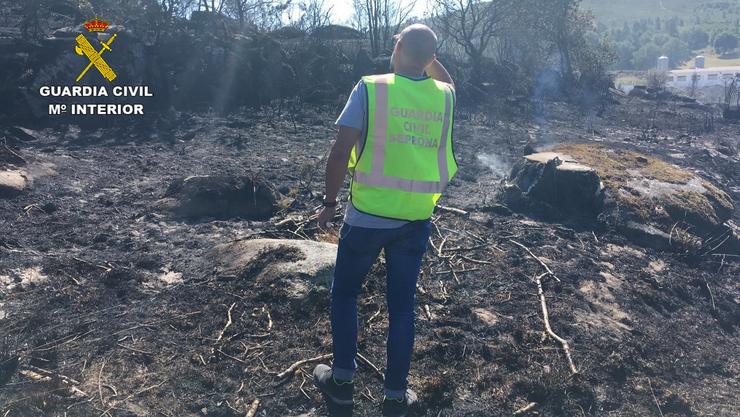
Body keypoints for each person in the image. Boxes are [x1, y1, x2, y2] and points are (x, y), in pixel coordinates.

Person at [312, 23, 457, 417]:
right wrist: (426, 55)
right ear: (429, 58)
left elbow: (341, 150)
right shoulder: (443, 97)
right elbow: (449, 81)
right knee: (403, 308)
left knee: (345, 295)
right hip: (415, 219)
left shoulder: (371, 88)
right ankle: (395, 398)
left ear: (396, 47)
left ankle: (342, 383)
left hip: (367, 218)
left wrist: (329, 203)